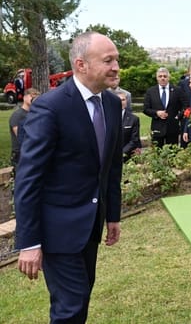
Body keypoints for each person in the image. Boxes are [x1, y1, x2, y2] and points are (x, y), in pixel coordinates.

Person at [14, 31, 123, 324]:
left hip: (91, 227)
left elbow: (112, 167)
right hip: (57, 231)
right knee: (71, 306)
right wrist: (29, 242)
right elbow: (28, 178)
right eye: (108, 60)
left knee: (80, 299)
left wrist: (113, 215)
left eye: (116, 60)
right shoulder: (50, 106)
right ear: (80, 64)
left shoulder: (112, 104)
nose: (116, 67)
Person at [143, 67, 188, 147]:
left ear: (168, 78)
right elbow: (145, 109)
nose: (162, 78)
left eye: (165, 76)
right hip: (157, 128)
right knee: (157, 152)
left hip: (173, 128)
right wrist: (157, 113)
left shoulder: (177, 90)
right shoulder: (151, 91)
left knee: (172, 152)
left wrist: (178, 117)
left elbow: (185, 106)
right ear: (157, 78)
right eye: (160, 76)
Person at [9, 88, 40, 168]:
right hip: (20, 154)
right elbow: (20, 136)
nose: (34, 99)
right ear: (24, 97)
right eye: (32, 96)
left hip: (32, 152)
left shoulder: (35, 114)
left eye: (36, 97)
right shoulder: (17, 115)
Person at [116, 91, 141, 162]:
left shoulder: (134, 119)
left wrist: (121, 153)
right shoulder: (107, 117)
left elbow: (134, 140)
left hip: (127, 157)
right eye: (118, 100)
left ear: (126, 101)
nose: (121, 102)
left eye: (123, 100)